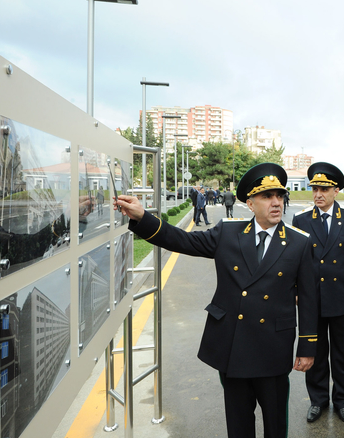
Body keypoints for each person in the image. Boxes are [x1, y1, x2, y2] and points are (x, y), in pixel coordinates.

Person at [114, 163, 318, 438]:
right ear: (250, 203)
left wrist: (307, 346)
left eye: (280, 196)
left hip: (273, 346)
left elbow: (308, 297)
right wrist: (142, 217)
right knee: (238, 423)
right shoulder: (228, 234)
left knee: (275, 423)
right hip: (233, 344)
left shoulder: (299, 242)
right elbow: (182, 241)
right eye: (267, 197)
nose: (276, 203)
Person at [292, 162, 344, 425]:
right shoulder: (301, 219)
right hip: (312, 298)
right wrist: (296, 291)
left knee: (340, 353)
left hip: (341, 295)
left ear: (336, 190)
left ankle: (343, 402)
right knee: (315, 350)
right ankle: (318, 401)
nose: (318, 194)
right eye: (314, 189)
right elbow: (294, 260)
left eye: (323, 189)